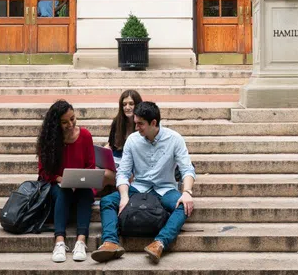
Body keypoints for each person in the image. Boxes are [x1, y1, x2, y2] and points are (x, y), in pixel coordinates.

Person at [91, 101, 196, 265]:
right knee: (107, 201)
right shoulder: (133, 140)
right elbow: (124, 173)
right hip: (138, 188)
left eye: (140, 124)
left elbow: (187, 169)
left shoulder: (174, 139)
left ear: (153, 123)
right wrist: (124, 196)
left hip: (165, 189)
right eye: (136, 123)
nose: (136, 127)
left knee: (184, 206)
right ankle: (110, 242)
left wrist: (187, 192)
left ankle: (159, 243)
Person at [37, 99, 95, 263]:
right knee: (64, 191)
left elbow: (90, 166)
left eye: (72, 118)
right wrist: (60, 178)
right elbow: (43, 171)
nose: (70, 124)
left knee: (85, 192)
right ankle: (59, 241)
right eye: (64, 122)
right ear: (56, 124)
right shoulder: (49, 140)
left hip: (81, 185)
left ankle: (81, 241)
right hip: (57, 186)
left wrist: (80, 180)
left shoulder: (84, 135)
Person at [100, 89, 141, 188]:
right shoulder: (117, 122)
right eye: (124, 104)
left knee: (105, 174)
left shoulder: (142, 124)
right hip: (115, 162)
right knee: (97, 169)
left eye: (131, 104)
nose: (127, 107)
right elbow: (111, 144)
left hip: (132, 166)